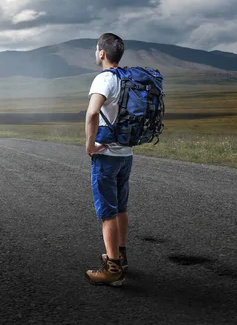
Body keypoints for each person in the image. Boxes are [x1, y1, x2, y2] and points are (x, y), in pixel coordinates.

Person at [84, 33, 132, 287]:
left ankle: (112, 268)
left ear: (102, 53)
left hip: (107, 155)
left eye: (96, 50)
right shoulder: (128, 79)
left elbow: (92, 114)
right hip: (126, 153)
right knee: (121, 207)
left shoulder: (104, 79)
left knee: (107, 213)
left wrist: (90, 145)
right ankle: (121, 255)